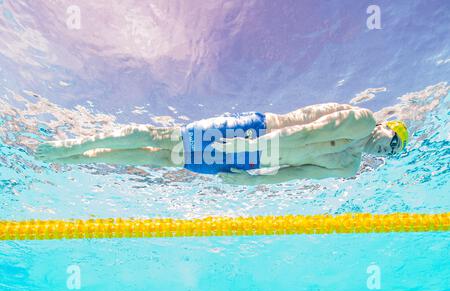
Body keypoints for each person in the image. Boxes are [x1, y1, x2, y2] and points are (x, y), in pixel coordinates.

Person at [35, 103, 408, 185]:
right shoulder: (360, 121)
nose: (387, 151)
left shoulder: (348, 167)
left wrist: (253, 181)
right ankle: (72, 144)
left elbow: (296, 174)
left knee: (164, 160)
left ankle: (75, 159)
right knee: (161, 138)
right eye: (394, 142)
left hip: (251, 159)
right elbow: (306, 134)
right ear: (388, 127)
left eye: (394, 155)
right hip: (255, 131)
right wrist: (247, 147)